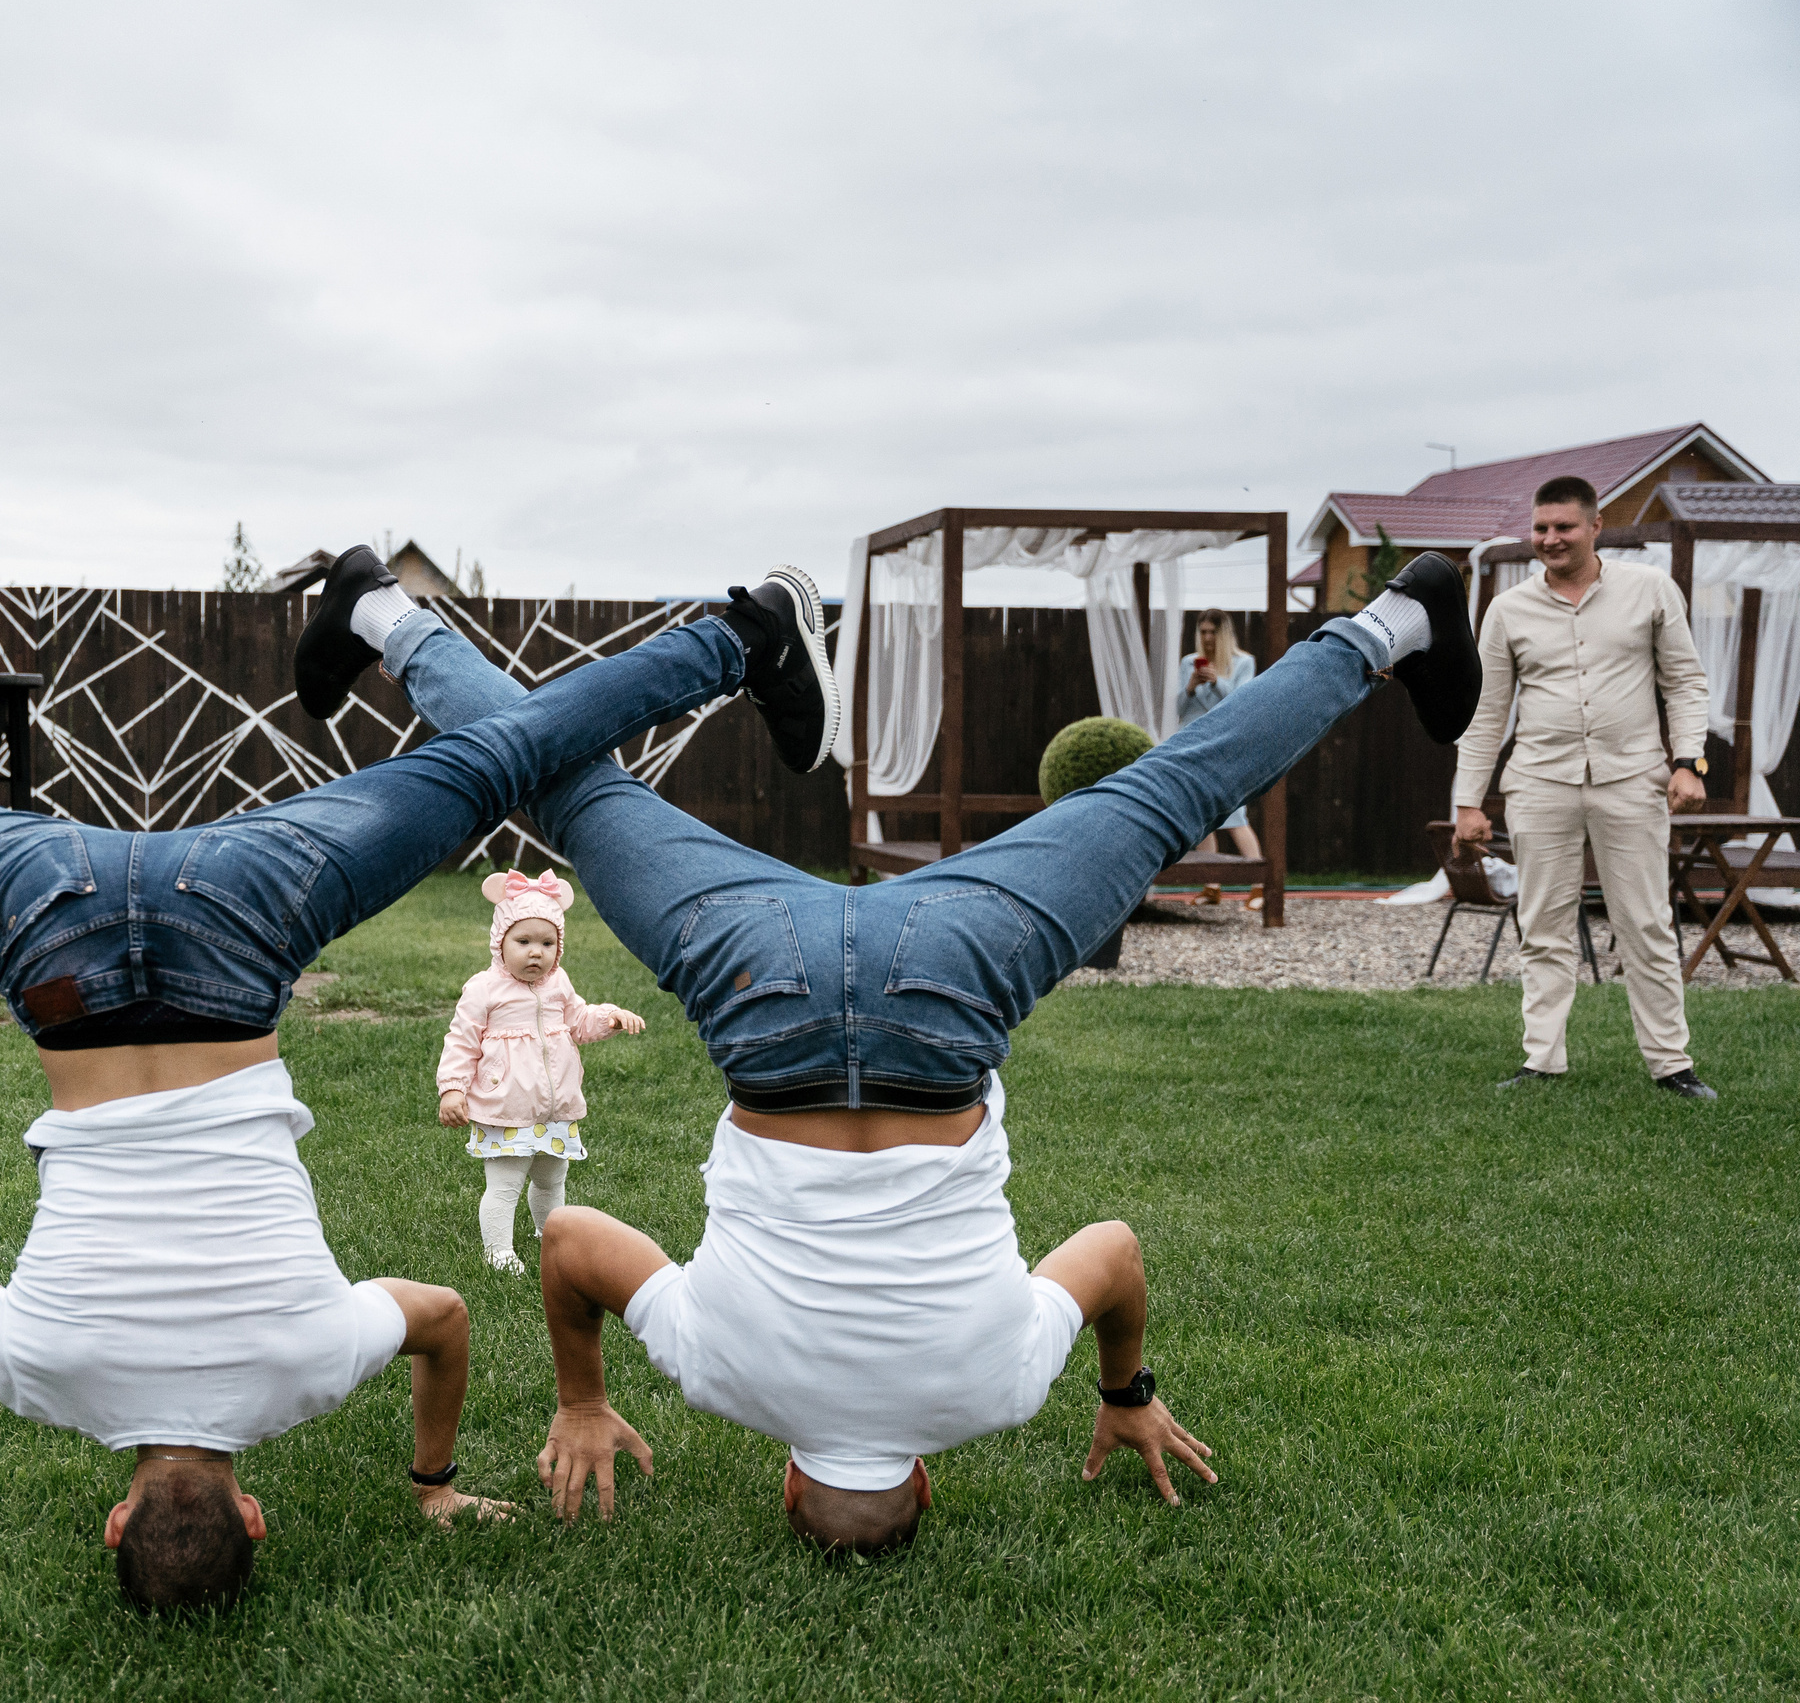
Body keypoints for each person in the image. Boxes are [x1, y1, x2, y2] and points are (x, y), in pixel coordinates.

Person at [0, 564, 838, 1610]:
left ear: (254, 1508)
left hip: (236, 927)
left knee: (477, 771)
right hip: (53, 939)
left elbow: (439, 1318)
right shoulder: (45, 1372)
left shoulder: (306, 1370)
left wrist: (433, 1477)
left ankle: (749, 631)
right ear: (115, 1509)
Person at [305, 544, 1483, 1555]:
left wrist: (1126, 1395)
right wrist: (579, 1399)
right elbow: (571, 1243)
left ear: (919, 1478)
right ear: (786, 1481)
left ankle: (1395, 618)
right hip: (763, 992)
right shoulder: (724, 1379)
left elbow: (1112, 1253)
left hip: (955, 983)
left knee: (1178, 787)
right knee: (556, 782)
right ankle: (378, 608)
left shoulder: (997, 1393)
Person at [1450, 475, 1715, 1100]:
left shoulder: (1650, 590)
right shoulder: (1508, 609)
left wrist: (1690, 762)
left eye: (1564, 527)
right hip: (1540, 784)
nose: (1550, 539)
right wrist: (1467, 801)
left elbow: (1685, 682)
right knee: (1541, 925)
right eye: (1541, 528)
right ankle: (1541, 1061)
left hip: (1632, 781)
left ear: (1596, 526)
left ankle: (1672, 1066)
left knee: (1646, 923)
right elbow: (1487, 712)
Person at [436, 870, 647, 1275]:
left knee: (552, 1178)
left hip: (554, 1110)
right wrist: (453, 1090)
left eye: (547, 943)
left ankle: (550, 1235)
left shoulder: (558, 984)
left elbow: (579, 1021)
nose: (537, 953)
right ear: (500, 943)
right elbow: (461, 1041)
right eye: (524, 942)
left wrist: (610, 1018)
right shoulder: (484, 989)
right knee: (505, 1185)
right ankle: (498, 1252)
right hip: (505, 1107)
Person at [1174, 608, 1264, 908]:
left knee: (1235, 815)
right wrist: (1190, 687)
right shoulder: (1188, 662)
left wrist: (1216, 682)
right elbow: (1177, 710)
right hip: (1195, 745)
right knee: (1204, 818)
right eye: (1203, 632)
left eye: (1213, 632)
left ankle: (1259, 885)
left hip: (1227, 747)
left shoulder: (1243, 662)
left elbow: (1244, 704)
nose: (1207, 638)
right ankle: (1212, 886)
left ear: (1223, 634)